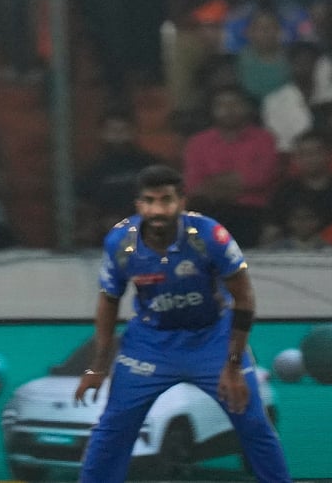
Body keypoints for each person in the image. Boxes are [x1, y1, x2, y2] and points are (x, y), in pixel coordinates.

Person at [75, 165, 291, 483]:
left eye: (166, 200)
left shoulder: (210, 236)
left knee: (254, 423)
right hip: (150, 343)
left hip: (211, 338)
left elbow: (244, 298)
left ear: (182, 202)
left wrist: (232, 366)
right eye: (149, 201)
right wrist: (97, 366)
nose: (158, 209)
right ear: (139, 205)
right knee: (112, 428)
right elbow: (108, 300)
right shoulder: (121, 242)